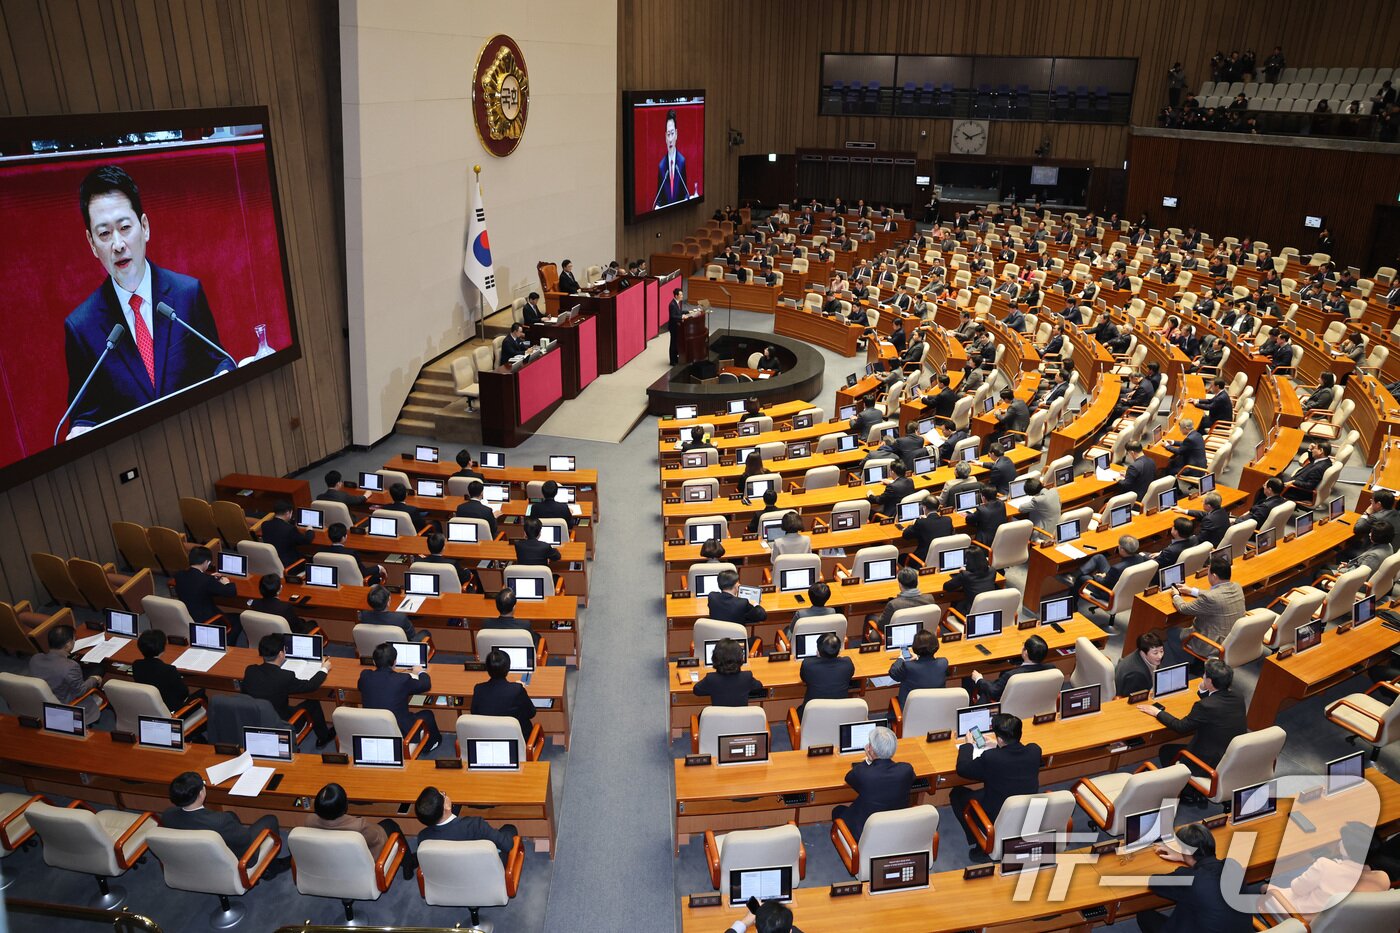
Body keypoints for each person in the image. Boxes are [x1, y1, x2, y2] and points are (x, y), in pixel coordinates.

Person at [62, 165, 234, 439]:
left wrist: (226, 373)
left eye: (125, 227)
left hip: (200, 438)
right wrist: (80, 429)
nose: (117, 244)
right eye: (104, 234)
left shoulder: (186, 294)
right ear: (92, 244)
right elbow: (86, 414)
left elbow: (218, 361)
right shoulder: (81, 328)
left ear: (144, 227)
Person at [161, 772, 290, 876]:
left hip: (195, 860)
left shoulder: (167, 815)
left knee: (231, 815)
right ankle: (270, 868)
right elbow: (245, 838)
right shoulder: (219, 821)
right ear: (201, 793)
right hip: (239, 860)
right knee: (270, 819)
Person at [949, 713, 1042, 859]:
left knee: (957, 794)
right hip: (1025, 807)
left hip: (997, 810)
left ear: (1000, 738)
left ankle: (982, 841)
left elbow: (963, 769)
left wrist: (967, 744)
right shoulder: (1035, 751)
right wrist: (997, 745)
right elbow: (1013, 756)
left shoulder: (992, 758)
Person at [1139, 658, 1247, 775]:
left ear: (1210, 681)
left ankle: (1181, 784)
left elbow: (1181, 727)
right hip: (1229, 756)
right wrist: (1202, 689)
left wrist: (1157, 712)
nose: (1203, 676)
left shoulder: (1204, 706)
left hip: (1208, 762)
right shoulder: (1238, 696)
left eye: (1205, 675)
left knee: (1165, 751)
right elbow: (1215, 706)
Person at [1262, 820, 1390, 917]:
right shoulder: (1383, 878)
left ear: (1346, 849)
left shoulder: (1325, 866)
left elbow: (1297, 889)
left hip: (1303, 917)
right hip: (1343, 922)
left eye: (1342, 840)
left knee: (1265, 888)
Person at [241, 633, 334, 746]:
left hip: (254, 720)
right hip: (281, 723)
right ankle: (323, 738)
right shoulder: (285, 676)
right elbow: (311, 686)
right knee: (313, 704)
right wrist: (324, 669)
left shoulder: (250, 670)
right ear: (281, 653)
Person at [308, 782, 415, 879]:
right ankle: (408, 867)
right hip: (363, 863)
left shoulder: (309, 821)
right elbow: (378, 837)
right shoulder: (359, 826)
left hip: (331, 863)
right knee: (390, 824)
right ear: (345, 806)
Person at [830, 726, 914, 838]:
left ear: (870, 749)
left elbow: (849, 778)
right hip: (895, 826)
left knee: (838, 811)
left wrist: (868, 761)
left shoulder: (863, 773)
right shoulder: (906, 770)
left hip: (865, 832)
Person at [359, 641, 441, 752]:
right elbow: (426, 685)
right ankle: (431, 745)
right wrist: (420, 672)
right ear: (394, 661)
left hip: (373, 728)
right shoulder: (402, 679)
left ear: (374, 661)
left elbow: (362, 687)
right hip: (400, 730)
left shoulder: (365, 676)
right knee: (427, 714)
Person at [413, 786, 517, 864]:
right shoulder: (475, 826)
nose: (444, 795)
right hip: (483, 870)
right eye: (443, 795)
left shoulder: (423, 838)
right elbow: (507, 845)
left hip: (450, 877)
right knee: (509, 828)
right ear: (446, 806)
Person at [28, 625, 103, 723]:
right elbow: (81, 691)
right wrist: (95, 679)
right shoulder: (70, 666)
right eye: (74, 639)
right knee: (99, 669)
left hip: (47, 698)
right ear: (68, 645)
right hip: (67, 704)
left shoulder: (35, 659)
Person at [1172, 557, 1246, 652]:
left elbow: (1183, 608)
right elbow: (1216, 594)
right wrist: (1192, 591)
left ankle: (1189, 660)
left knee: (1171, 632)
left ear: (1214, 576)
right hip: (1234, 639)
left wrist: (1176, 595)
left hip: (1213, 645)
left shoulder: (1210, 598)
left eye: (1208, 572)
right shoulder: (1237, 586)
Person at [173, 545, 239, 642]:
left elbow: (195, 583)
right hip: (206, 620)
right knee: (238, 619)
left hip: (189, 616)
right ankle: (227, 643)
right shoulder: (207, 581)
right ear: (206, 562)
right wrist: (227, 582)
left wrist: (208, 577)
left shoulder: (179, 575)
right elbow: (230, 592)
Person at [965, 635, 1055, 704]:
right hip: (1037, 703)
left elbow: (993, 692)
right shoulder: (1052, 669)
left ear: (1025, 653)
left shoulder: (1012, 676)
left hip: (1011, 706)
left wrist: (978, 679)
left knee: (980, 687)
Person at [470, 648, 536, 738]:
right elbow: (531, 713)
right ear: (508, 668)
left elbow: (474, 714)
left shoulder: (478, 689)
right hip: (516, 738)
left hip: (488, 736)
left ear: (487, 669)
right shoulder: (517, 690)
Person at [132, 628, 199, 711]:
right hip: (172, 710)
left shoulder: (136, 665)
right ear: (163, 648)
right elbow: (184, 693)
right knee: (202, 694)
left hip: (149, 707)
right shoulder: (169, 670)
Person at [692, 638, 763, 707]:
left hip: (717, 718)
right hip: (741, 718)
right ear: (740, 658)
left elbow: (697, 690)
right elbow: (759, 686)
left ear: (715, 658)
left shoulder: (711, 679)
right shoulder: (747, 677)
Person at [798, 633, 855, 716]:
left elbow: (804, 678)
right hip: (839, 713)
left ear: (818, 651)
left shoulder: (808, 665)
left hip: (813, 715)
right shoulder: (847, 664)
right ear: (839, 651)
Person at [888, 629, 947, 707]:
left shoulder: (908, 666)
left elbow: (893, 673)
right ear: (936, 646)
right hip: (936, 708)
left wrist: (901, 658)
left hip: (911, 710)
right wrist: (919, 658)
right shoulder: (943, 663)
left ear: (915, 648)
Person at [249, 573, 314, 634]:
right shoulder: (285, 608)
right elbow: (298, 628)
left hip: (263, 634)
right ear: (279, 590)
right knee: (312, 623)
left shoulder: (254, 603)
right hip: (283, 638)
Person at [359, 584, 424, 642]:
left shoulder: (364, 615)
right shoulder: (400, 618)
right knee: (425, 632)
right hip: (399, 649)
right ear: (388, 602)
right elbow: (412, 636)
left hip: (375, 648)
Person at [945, 543, 996, 615]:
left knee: (955, 602)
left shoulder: (965, 575)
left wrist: (963, 572)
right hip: (989, 610)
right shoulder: (992, 571)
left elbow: (947, 587)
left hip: (970, 613)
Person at [259, 500, 313, 568]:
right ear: (288, 513)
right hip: (289, 564)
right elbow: (306, 540)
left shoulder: (265, 525)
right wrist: (309, 530)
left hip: (272, 561)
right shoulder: (290, 529)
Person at [655, 108, 690, 207]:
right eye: (668, 134)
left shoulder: (681, 162)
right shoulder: (661, 166)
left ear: (676, 134)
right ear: (665, 136)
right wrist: (657, 206)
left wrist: (688, 199)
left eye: (672, 134)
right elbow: (659, 199)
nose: (670, 139)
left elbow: (685, 193)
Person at [1116, 631, 1166, 696]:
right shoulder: (1137, 675)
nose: (1160, 656)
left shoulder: (1140, 653)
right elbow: (1133, 699)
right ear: (1143, 652)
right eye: (1155, 653)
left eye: (1161, 651)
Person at [667, 288, 685, 364]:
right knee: (673, 344)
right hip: (673, 327)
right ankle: (672, 361)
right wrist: (682, 317)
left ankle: (675, 359)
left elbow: (679, 312)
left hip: (677, 327)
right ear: (676, 295)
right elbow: (673, 316)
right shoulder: (672, 304)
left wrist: (688, 312)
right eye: (681, 295)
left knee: (676, 343)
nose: (682, 296)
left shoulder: (676, 303)